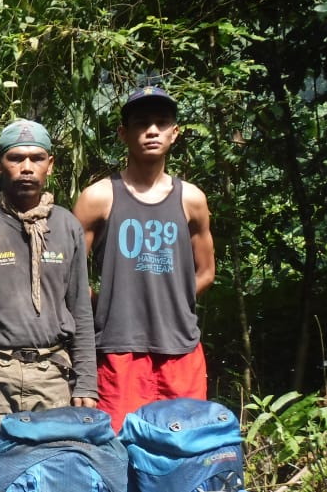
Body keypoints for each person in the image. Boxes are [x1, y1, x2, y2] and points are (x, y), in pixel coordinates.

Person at [73, 85, 216, 433]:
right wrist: (103, 304)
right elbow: (68, 272)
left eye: (161, 122)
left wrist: (174, 303)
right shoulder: (98, 197)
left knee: (183, 448)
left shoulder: (192, 199)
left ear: (174, 132)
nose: (151, 131)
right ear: (124, 133)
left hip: (179, 348)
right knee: (121, 446)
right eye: (141, 123)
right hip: (117, 349)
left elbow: (207, 271)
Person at [0, 119, 98, 419]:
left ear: (50, 165)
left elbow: (80, 308)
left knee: (52, 461)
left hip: (52, 376)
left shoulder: (67, 226)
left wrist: (87, 383)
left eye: (37, 158)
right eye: (16, 158)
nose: (26, 167)